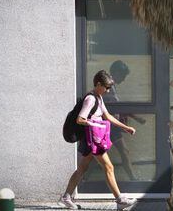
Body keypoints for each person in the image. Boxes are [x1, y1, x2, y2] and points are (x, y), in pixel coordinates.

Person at [58, 70, 137, 210]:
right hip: (93, 139)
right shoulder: (91, 99)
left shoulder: (98, 97)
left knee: (82, 168)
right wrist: (95, 124)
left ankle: (66, 197)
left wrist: (126, 127)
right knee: (109, 167)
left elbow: (108, 116)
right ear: (98, 84)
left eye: (109, 88)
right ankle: (120, 200)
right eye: (106, 87)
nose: (107, 90)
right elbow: (80, 119)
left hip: (94, 139)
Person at [103, 60, 146, 181]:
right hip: (109, 127)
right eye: (123, 76)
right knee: (122, 152)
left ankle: (133, 179)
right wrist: (136, 118)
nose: (124, 79)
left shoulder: (111, 86)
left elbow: (118, 106)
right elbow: (117, 106)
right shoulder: (109, 88)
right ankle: (133, 180)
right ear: (116, 73)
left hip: (112, 127)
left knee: (123, 152)